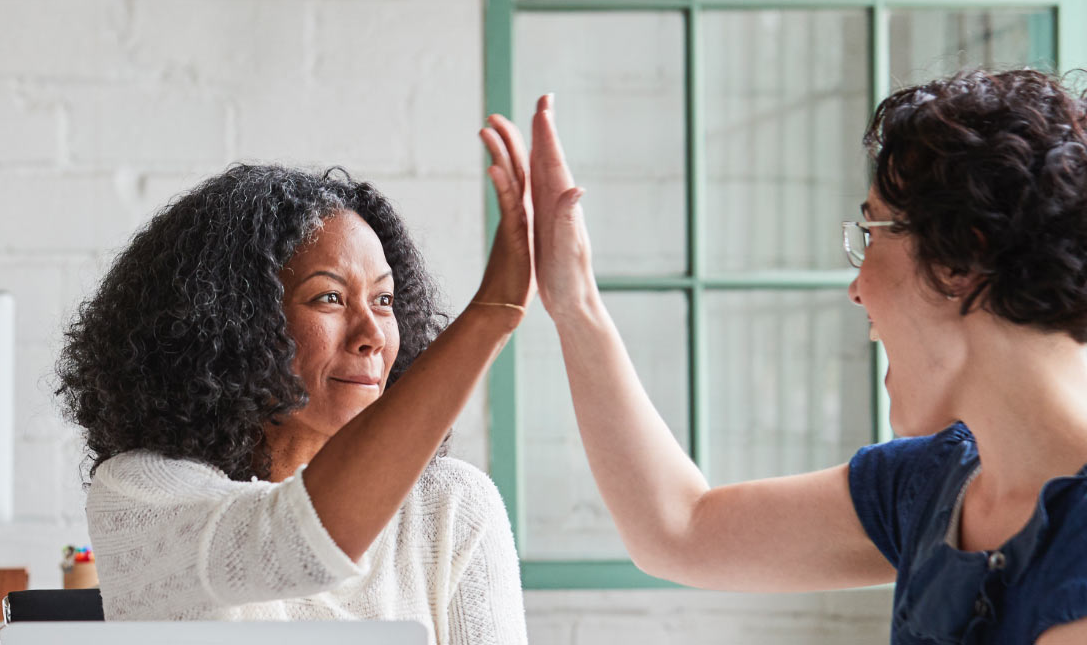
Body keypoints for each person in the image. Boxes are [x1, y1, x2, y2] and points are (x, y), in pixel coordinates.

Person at [511, 71, 1087, 643]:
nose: (856, 288)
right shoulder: (929, 485)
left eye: (872, 232)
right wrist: (574, 303)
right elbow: (679, 530)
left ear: (960, 261)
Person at [56, 155, 536, 643]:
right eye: (329, 297)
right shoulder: (141, 494)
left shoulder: (452, 504)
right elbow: (300, 539)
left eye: (384, 300)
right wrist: (490, 316)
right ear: (233, 327)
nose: (372, 333)